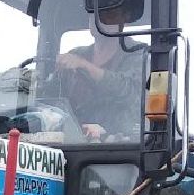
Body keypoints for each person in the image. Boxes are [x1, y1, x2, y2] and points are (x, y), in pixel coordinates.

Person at [52, 7, 147, 141]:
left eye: (108, 12)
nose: (97, 18)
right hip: (72, 142)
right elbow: (54, 98)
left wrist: (85, 66)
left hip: (119, 146)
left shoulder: (138, 53)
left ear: (124, 19)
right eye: (93, 13)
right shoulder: (76, 54)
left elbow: (130, 91)